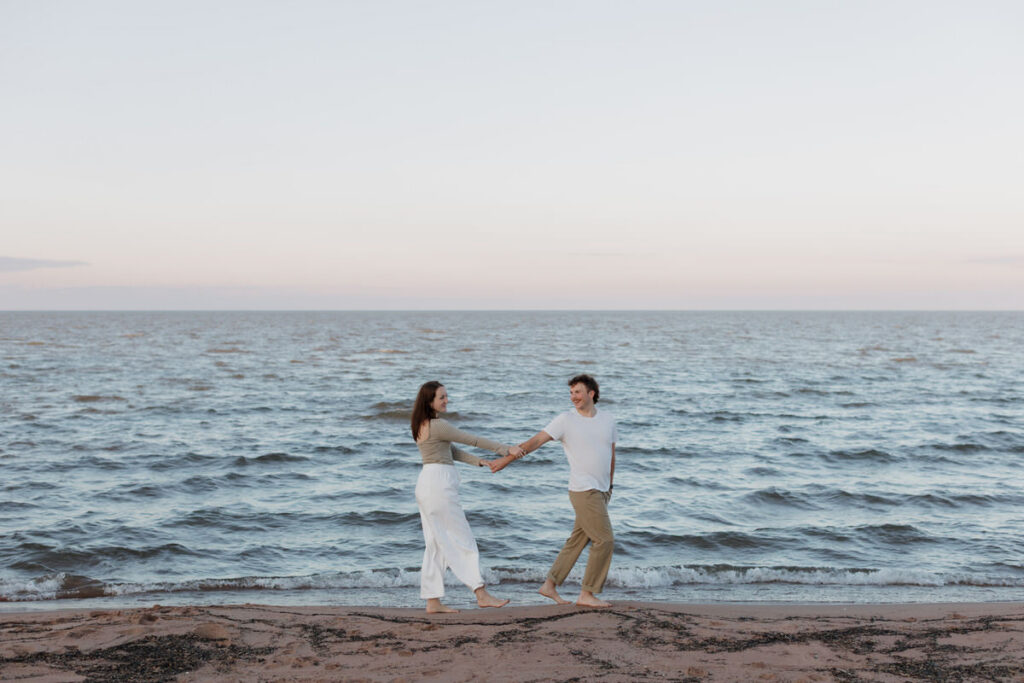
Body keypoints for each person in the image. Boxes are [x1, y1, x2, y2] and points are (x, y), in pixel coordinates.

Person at [491, 373, 617, 607]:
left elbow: (611, 453)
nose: (573, 397)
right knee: (605, 540)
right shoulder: (565, 420)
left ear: (591, 393)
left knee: (578, 540)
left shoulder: (608, 420)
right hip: (583, 489)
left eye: (577, 392)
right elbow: (535, 442)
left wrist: (610, 485)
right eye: (571, 393)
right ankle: (587, 594)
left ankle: (549, 585)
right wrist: (506, 460)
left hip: (602, 490)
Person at [411, 380, 522, 613]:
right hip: (439, 486)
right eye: (441, 397)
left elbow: (449, 451)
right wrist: (505, 449)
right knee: (464, 540)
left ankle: (432, 601)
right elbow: (470, 439)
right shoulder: (437, 425)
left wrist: (478, 461)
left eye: (446, 396)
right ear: (429, 401)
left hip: (427, 484)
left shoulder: (422, 424)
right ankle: (480, 593)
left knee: (435, 544)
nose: (446, 400)